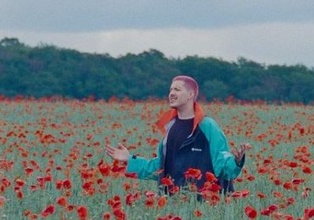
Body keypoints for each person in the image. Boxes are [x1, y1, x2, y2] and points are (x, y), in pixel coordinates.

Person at [104, 75, 246, 195]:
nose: (171, 93)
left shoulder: (207, 126)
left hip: (205, 204)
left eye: (177, 89)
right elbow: (160, 167)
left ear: (191, 95)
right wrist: (129, 160)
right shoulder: (170, 127)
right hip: (175, 205)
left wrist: (236, 162)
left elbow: (221, 162)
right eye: (170, 89)